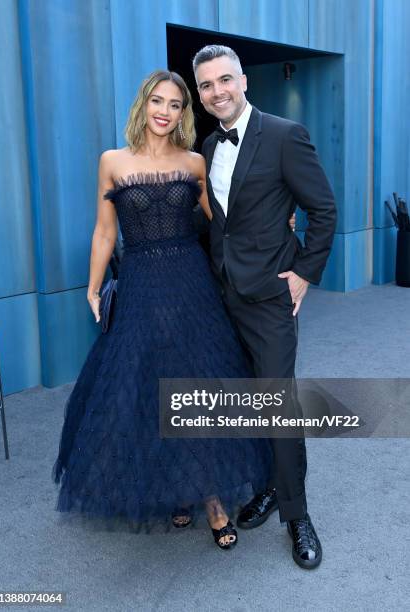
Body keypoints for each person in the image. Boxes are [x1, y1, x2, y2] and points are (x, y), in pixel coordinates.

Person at [52, 69, 295, 550]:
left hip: (191, 284)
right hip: (142, 285)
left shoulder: (193, 162)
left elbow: (225, 218)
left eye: (176, 104)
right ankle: (175, 492)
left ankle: (213, 501)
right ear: (143, 105)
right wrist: (94, 286)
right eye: (157, 101)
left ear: (184, 113)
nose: (165, 111)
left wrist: (276, 215)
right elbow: (105, 231)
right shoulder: (113, 162)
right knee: (147, 387)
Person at [193, 45, 337, 568]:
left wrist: (303, 273)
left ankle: (297, 514)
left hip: (271, 297)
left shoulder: (283, 134)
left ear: (244, 82)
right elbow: (220, 219)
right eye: (207, 85)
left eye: (225, 80)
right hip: (223, 294)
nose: (218, 92)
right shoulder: (208, 145)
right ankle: (271, 485)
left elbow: (322, 208)